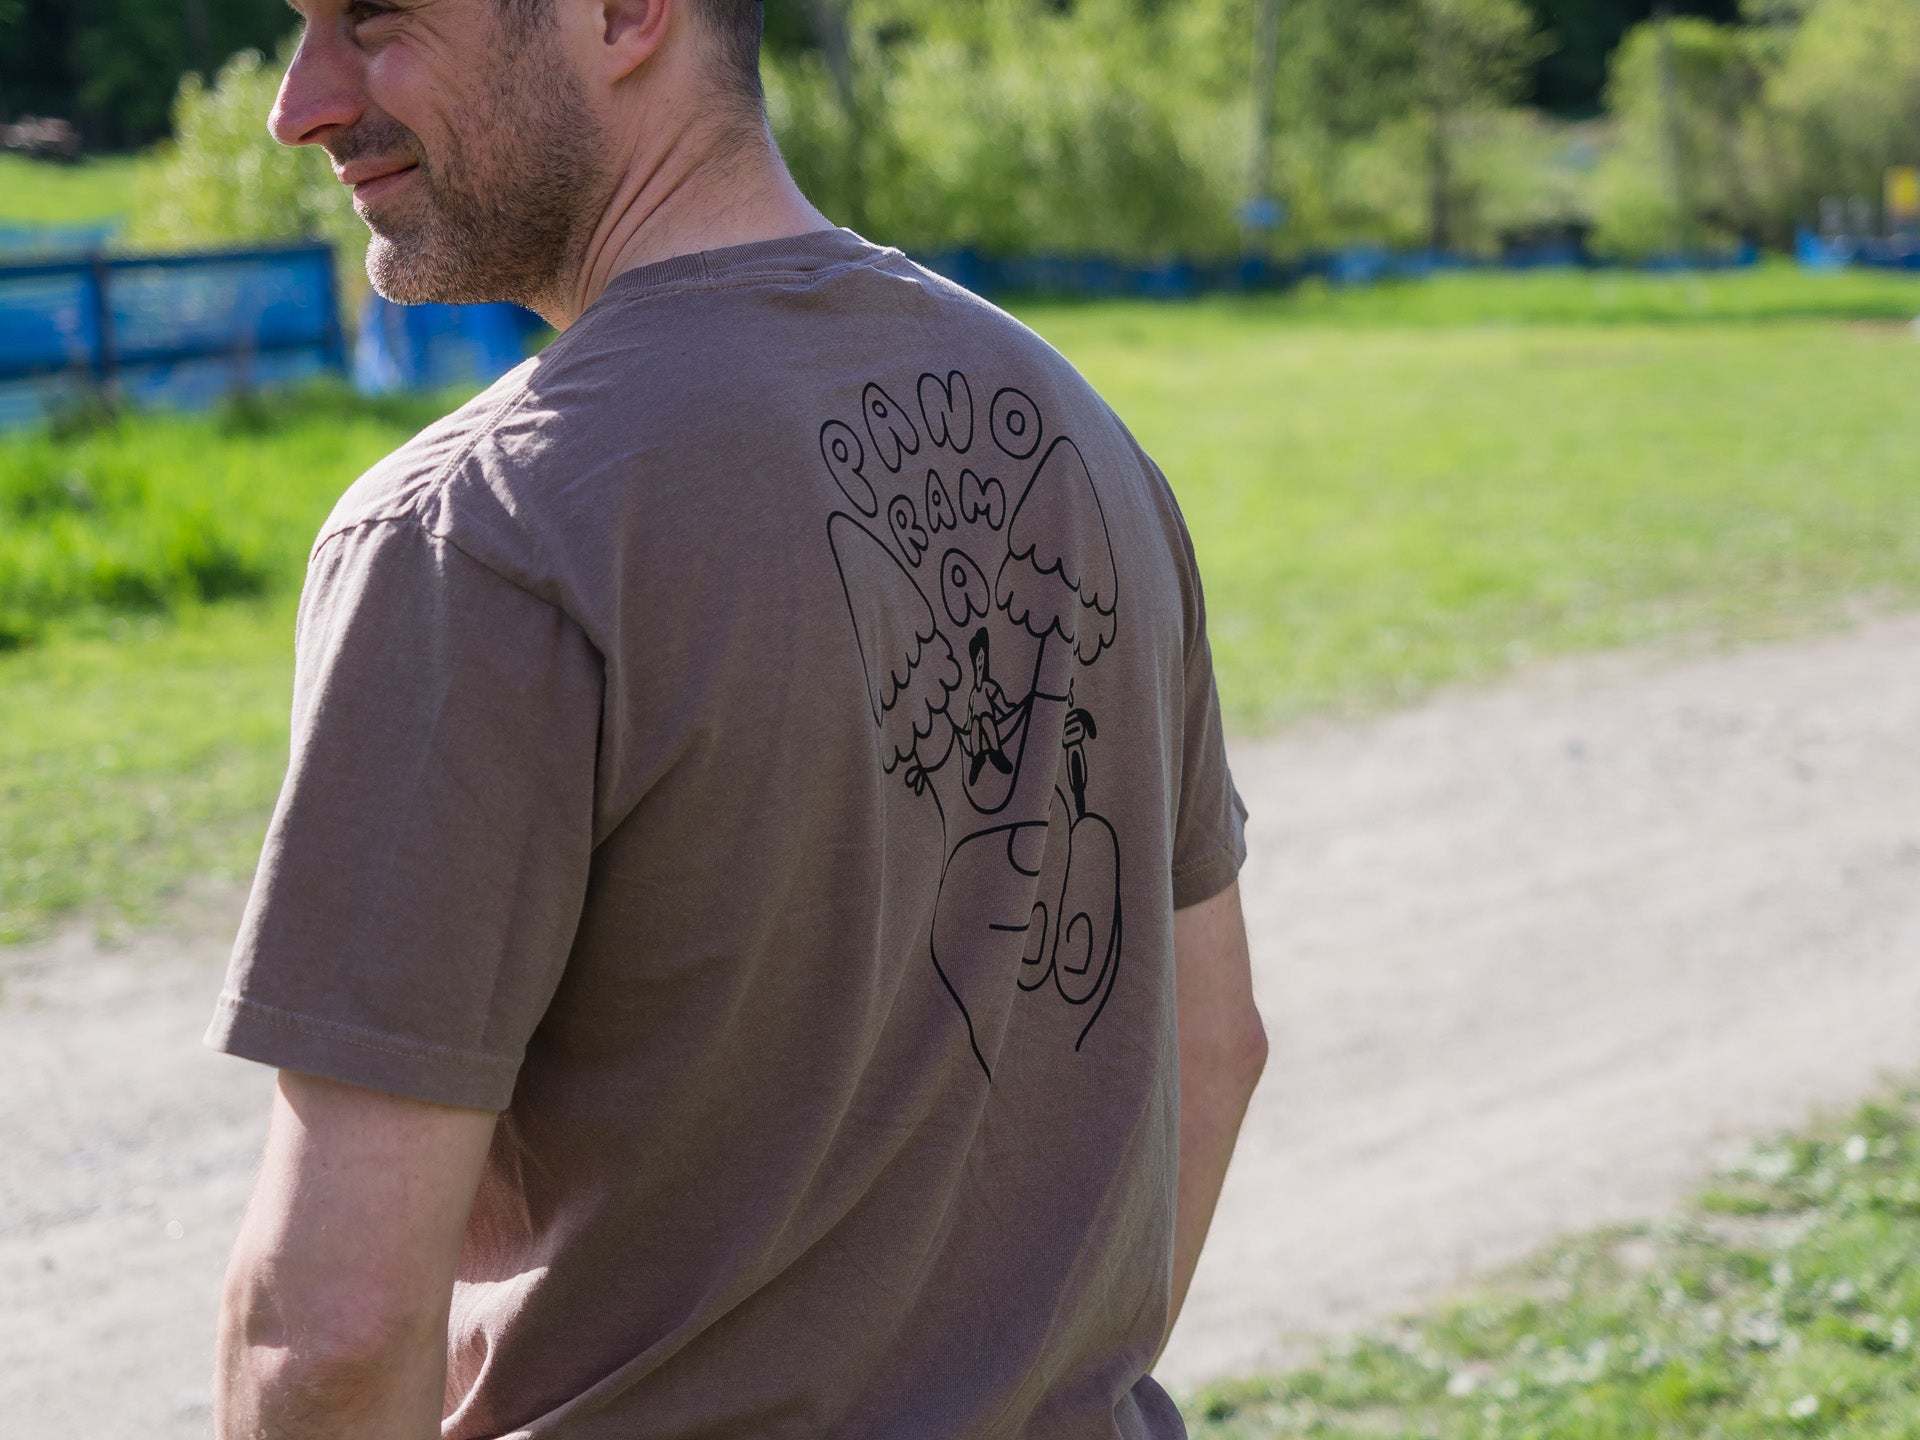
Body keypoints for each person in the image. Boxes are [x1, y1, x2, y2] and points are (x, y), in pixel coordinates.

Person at [204, 0, 1268, 1436]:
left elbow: (328, 1335)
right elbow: (1216, 1051)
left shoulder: (483, 530)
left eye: (376, 18)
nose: (301, 105)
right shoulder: (1083, 435)